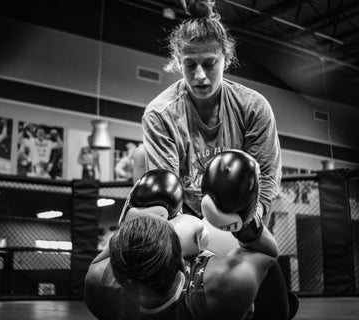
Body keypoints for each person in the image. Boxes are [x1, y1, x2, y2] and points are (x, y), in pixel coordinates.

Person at [85, 152, 297, 320]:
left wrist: (130, 221)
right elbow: (267, 255)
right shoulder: (222, 285)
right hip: (256, 307)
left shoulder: (99, 288)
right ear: (182, 261)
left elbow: (100, 262)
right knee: (211, 231)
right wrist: (244, 222)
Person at [142, 0, 281, 220]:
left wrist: (248, 222)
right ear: (179, 62)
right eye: (190, 65)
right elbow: (167, 193)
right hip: (185, 222)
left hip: (240, 217)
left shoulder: (253, 107)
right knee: (140, 158)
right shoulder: (160, 114)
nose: (199, 76)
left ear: (225, 60)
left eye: (209, 64)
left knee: (264, 253)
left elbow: (265, 177)